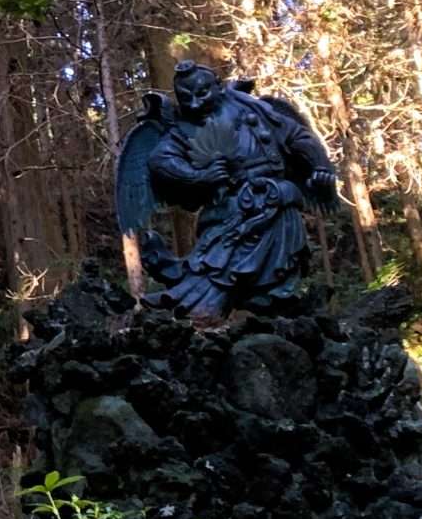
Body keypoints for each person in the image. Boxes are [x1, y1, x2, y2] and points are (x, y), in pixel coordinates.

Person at [140, 61, 338, 325]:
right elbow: (160, 159)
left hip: (278, 197)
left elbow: (296, 136)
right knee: (221, 261)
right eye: (186, 99)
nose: (195, 104)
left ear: (218, 85)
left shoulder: (252, 107)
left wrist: (319, 165)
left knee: (278, 264)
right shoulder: (183, 128)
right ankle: (194, 303)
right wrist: (199, 176)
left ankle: (273, 304)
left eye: (202, 93)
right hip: (231, 206)